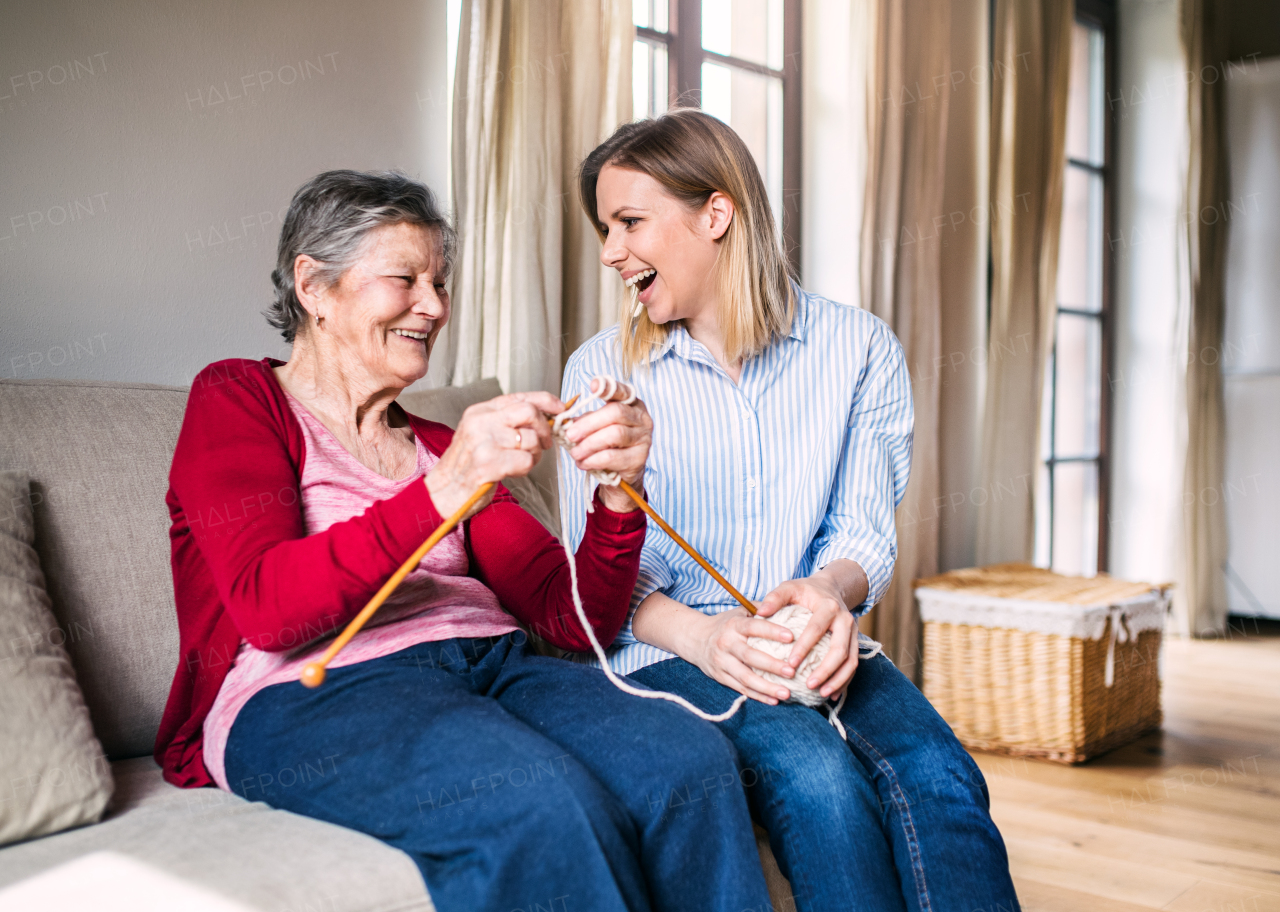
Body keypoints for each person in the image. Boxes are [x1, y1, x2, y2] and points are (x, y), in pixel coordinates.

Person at [154, 170, 773, 912]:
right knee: (539, 805)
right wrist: (448, 486)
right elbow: (268, 609)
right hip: (314, 693)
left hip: (496, 665)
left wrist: (616, 493)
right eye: (405, 279)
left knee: (690, 763)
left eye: (440, 282)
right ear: (314, 287)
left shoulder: (441, 441)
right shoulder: (239, 398)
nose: (434, 306)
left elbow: (569, 619)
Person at [559, 110, 1021, 912]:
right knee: (820, 785)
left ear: (716, 214)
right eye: (605, 228)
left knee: (945, 778)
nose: (610, 252)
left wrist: (825, 596)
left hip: (817, 637)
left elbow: (862, 532)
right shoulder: (600, 372)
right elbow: (601, 583)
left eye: (629, 222)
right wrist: (709, 639)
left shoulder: (860, 348)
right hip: (675, 650)